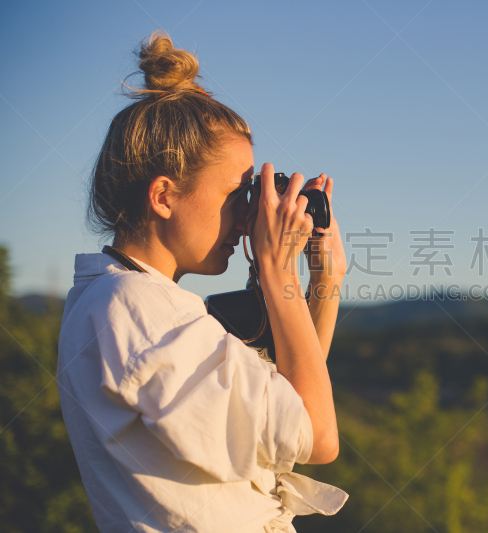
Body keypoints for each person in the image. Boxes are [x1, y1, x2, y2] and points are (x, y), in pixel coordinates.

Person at [57, 30, 348, 532]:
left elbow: (290, 414)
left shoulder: (134, 299)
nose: (246, 217)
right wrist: (278, 273)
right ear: (164, 196)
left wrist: (325, 280)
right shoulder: (130, 306)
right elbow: (318, 436)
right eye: (238, 192)